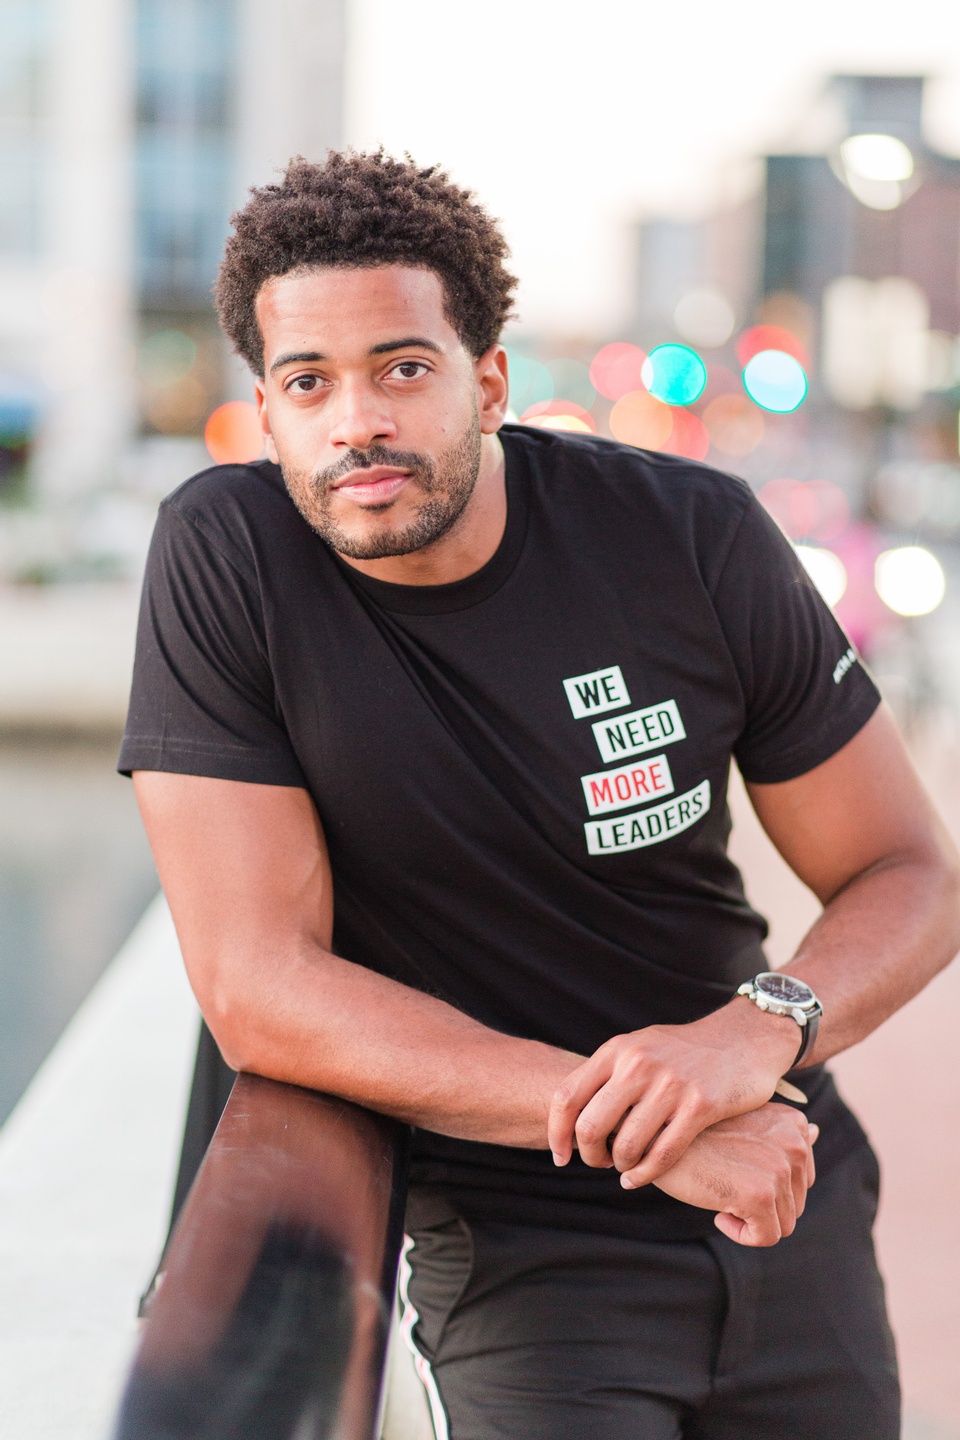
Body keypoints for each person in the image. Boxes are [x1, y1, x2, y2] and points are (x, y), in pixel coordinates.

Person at [120, 151, 960, 1440]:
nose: (358, 422)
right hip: (523, 1237)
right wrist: (649, 1126)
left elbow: (909, 872)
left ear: (490, 383)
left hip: (776, 1174)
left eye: (404, 367)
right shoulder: (228, 556)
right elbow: (257, 986)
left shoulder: (689, 534)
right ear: (268, 410)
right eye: (309, 382)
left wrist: (753, 1036)